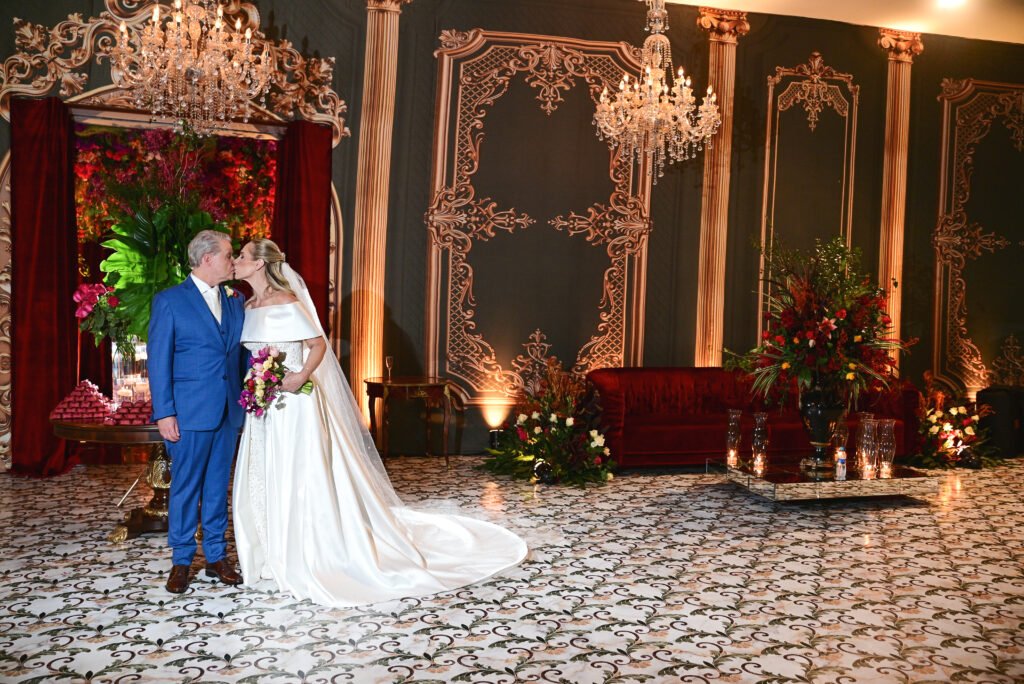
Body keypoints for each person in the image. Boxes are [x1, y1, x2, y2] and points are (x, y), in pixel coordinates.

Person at [231, 238, 527, 607]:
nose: (236, 261)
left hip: (294, 404)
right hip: (262, 404)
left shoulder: (286, 301)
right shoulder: (248, 306)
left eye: (241, 256)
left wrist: (300, 375)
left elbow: (317, 345)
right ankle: (270, 549)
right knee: (265, 472)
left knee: (298, 472)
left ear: (260, 264)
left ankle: (308, 552)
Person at [148, 230, 246, 594]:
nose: (233, 261)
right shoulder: (170, 301)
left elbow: (240, 355)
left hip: (228, 411)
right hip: (189, 413)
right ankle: (182, 560)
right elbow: (158, 361)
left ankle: (217, 556)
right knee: (186, 487)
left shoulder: (236, 301)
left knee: (218, 486)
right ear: (207, 259)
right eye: (229, 255)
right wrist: (164, 413)